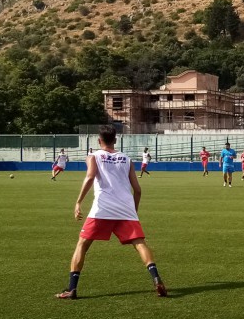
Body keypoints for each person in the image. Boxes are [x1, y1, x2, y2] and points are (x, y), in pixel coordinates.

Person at [56, 125, 165, 300]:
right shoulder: (126, 159)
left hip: (102, 208)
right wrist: (132, 211)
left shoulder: (94, 156)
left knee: (82, 244)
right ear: (115, 140)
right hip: (126, 209)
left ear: (99, 141)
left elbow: (90, 177)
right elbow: (137, 190)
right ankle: (156, 278)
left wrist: (78, 202)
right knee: (140, 243)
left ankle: (71, 289)